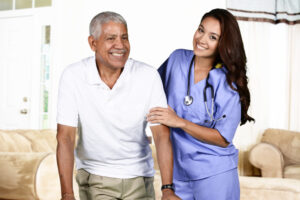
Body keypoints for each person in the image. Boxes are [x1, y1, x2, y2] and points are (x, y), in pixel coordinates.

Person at [56, 11, 180, 200]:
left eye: (124, 37)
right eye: (111, 38)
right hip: (96, 179)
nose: (120, 45)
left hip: (140, 179)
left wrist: (167, 189)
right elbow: (65, 137)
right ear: (92, 43)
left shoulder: (148, 76)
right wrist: (67, 194)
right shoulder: (73, 76)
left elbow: (161, 135)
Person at [147, 8, 254, 200]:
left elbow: (222, 138)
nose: (202, 39)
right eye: (201, 30)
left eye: (213, 37)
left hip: (215, 174)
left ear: (224, 44)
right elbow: (148, 91)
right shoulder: (176, 59)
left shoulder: (227, 82)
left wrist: (180, 122)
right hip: (178, 173)